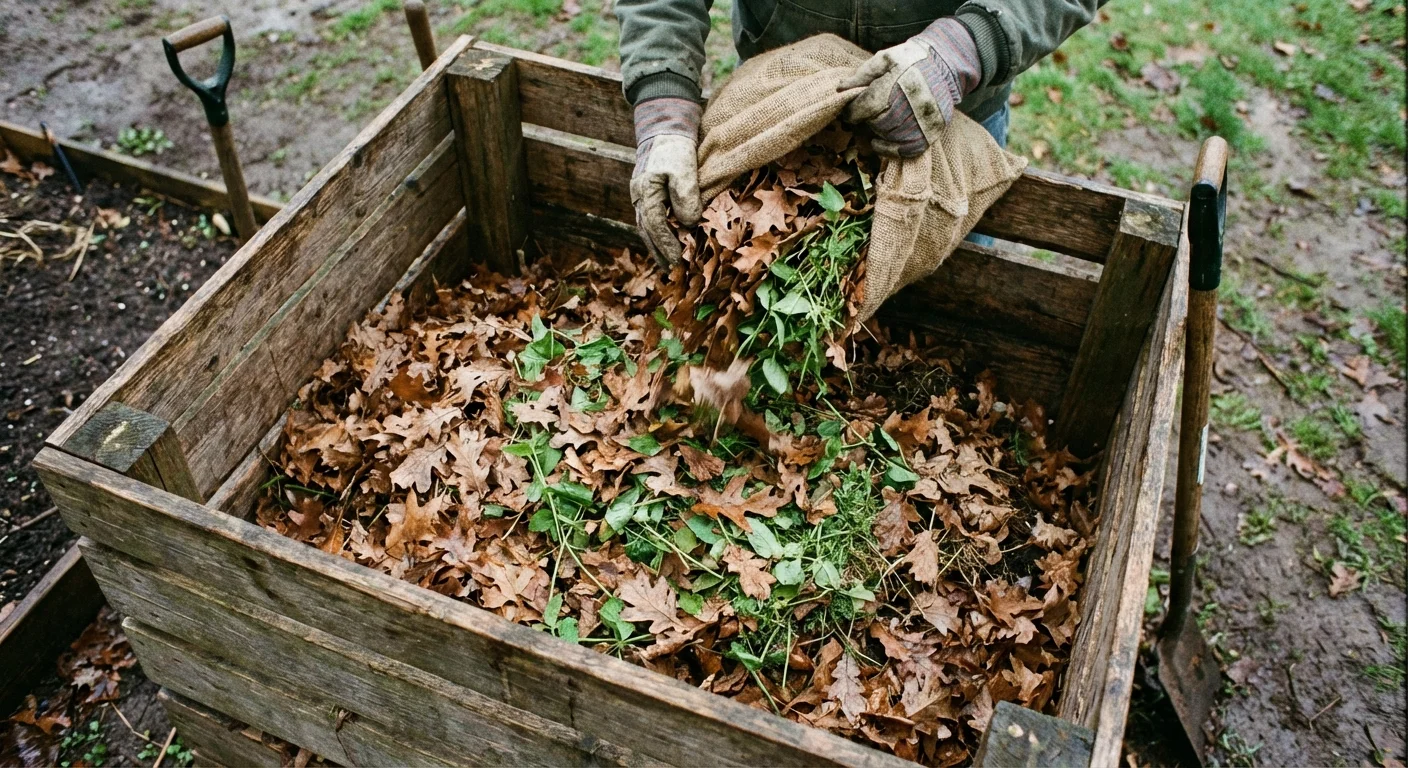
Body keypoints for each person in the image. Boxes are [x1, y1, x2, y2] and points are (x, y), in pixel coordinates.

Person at [620, 0, 1104, 264]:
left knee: (950, 311)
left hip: (948, 118)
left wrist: (964, 49)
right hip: (777, 112)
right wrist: (663, 109)